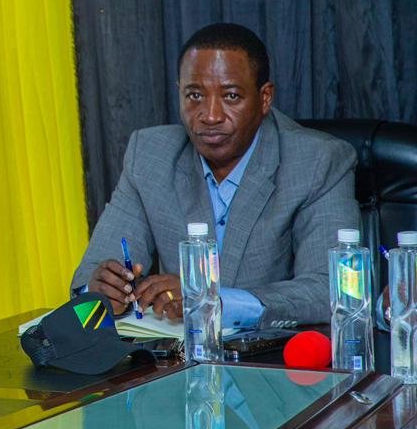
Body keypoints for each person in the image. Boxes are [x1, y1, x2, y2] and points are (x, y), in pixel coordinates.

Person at [71, 23, 359, 329]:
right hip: (179, 352)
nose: (210, 115)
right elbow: (87, 278)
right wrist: (101, 291)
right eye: (194, 95)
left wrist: (213, 300)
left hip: (275, 354)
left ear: (264, 98)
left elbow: (331, 289)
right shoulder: (150, 156)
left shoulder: (317, 161)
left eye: (231, 96)